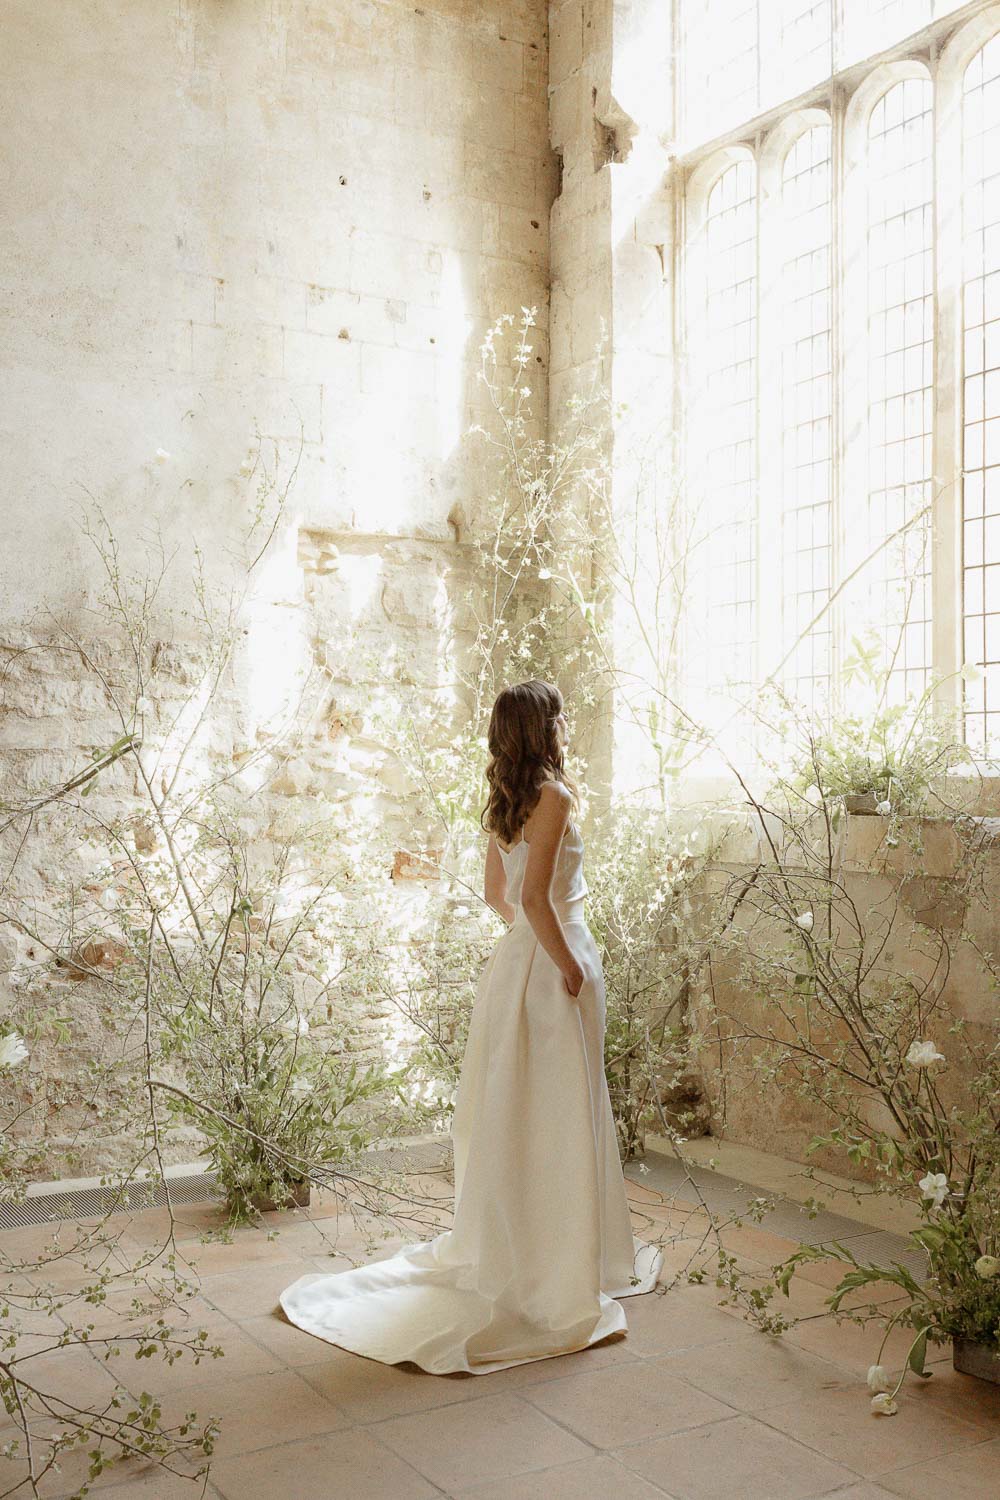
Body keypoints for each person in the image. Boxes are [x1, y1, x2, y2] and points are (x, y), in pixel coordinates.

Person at [278, 678, 662, 1374]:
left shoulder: (507, 801)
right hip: (553, 963)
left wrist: (524, 947)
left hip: (515, 963)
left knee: (516, 1110)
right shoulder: (556, 797)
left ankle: (524, 1245)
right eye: (562, 717)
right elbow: (539, 898)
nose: (569, 727)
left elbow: (499, 896)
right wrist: (567, 966)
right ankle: (559, 1263)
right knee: (563, 1109)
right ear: (543, 728)